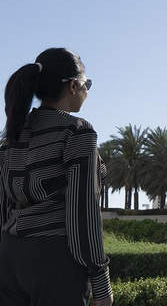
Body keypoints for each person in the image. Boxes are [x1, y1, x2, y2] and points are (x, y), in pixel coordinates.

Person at [0, 48, 112, 306]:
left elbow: (4, 205)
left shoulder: (13, 136)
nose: (87, 90)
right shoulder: (77, 132)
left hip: (8, 258)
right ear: (73, 85)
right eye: (87, 83)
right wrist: (101, 282)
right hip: (55, 262)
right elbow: (83, 212)